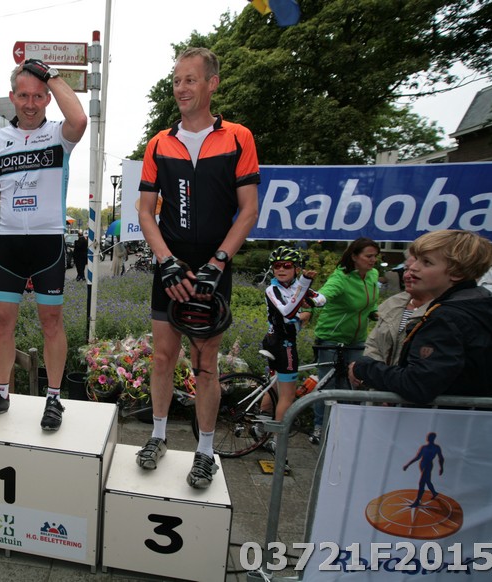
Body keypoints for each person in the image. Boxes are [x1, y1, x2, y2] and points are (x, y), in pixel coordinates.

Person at [135, 47, 260, 489]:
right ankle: (157, 436)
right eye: (176, 80)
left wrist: (219, 262)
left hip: (214, 268)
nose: (181, 88)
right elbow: (145, 211)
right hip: (170, 266)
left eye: (190, 79)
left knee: (206, 363)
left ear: (212, 83)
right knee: (163, 357)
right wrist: (166, 261)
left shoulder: (238, 137)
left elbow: (248, 210)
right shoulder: (159, 142)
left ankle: (205, 452)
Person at [0, 59, 87, 431]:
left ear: (48, 98)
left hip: (47, 242)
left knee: (51, 322)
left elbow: (80, 119)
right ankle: (1, 393)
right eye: (24, 96)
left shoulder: (58, 134)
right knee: (1, 321)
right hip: (9, 246)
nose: (31, 103)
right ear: (12, 97)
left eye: (38, 96)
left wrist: (51, 76)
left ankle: (53, 398)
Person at [350, 230, 492, 403]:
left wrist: (364, 368)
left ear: (457, 273)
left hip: (448, 418)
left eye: (427, 262)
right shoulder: (484, 304)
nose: (413, 267)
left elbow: (418, 384)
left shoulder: (446, 318)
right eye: (416, 259)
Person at [309, 237, 380, 445]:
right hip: (331, 337)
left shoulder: (373, 275)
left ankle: (345, 428)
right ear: (354, 256)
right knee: (328, 384)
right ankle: (320, 427)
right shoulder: (341, 277)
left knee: (353, 383)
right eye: (369, 256)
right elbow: (323, 296)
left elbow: (371, 303)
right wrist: (314, 301)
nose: (373, 260)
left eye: (375, 256)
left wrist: (376, 313)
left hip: (357, 339)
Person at [261, 246, 325, 452]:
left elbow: (321, 299)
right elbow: (287, 313)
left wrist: (308, 301)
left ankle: (261, 429)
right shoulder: (273, 289)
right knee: (287, 396)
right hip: (282, 343)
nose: (281, 269)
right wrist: (304, 287)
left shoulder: (296, 286)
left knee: (274, 387)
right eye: (276, 265)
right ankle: (277, 442)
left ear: (296, 268)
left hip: (279, 340)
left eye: (286, 265)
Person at [362, 251, 433, 368]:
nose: (407, 275)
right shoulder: (393, 303)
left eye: (415, 271)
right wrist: (373, 371)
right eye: (406, 269)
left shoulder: (442, 310)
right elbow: (373, 344)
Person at [403, 432, 444, 508]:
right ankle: (434, 493)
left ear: (432, 438)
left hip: (428, 465)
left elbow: (441, 458)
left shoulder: (436, 447)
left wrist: (441, 468)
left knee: (422, 482)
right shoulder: (424, 447)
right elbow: (417, 457)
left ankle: (417, 500)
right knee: (427, 480)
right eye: (428, 436)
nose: (428, 438)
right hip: (422, 464)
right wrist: (408, 464)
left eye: (429, 437)